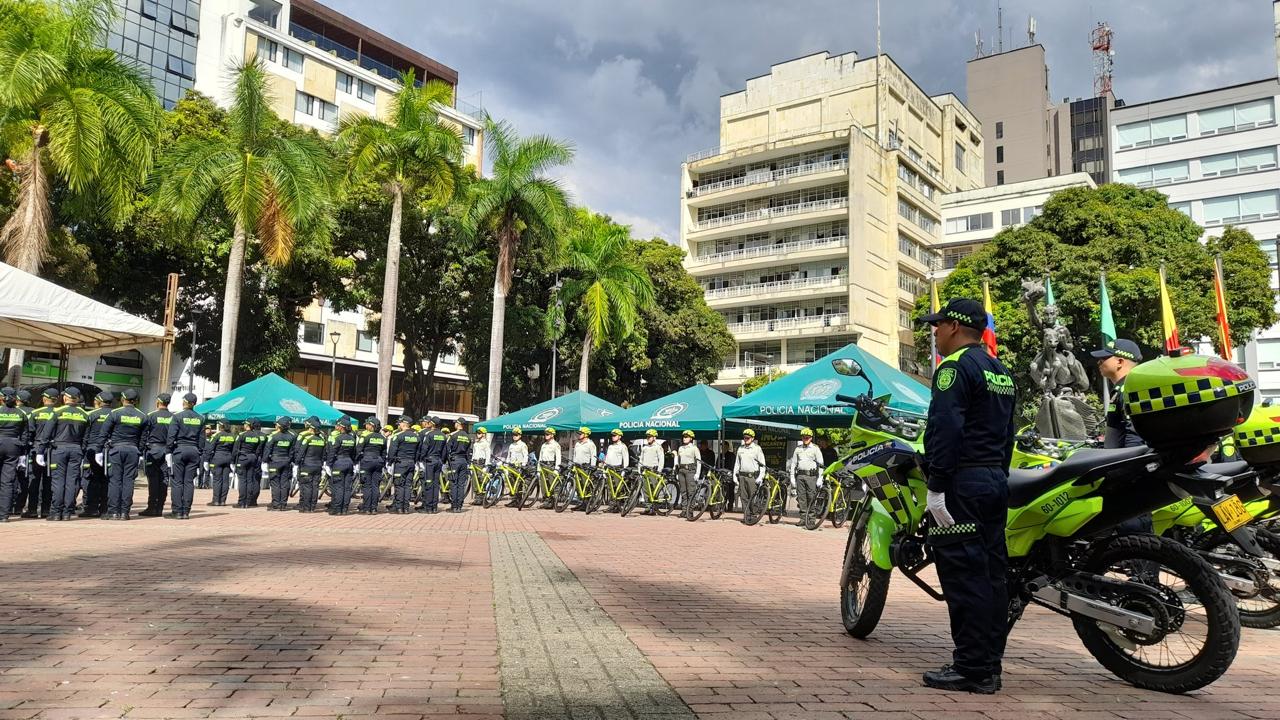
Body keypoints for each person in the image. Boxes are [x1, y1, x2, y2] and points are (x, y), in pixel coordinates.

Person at [917, 297, 1017, 694]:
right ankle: (987, 664)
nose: (935, 333)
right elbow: (1008, 434)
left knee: (963, 576)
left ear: (955, 327)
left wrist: (937, 486)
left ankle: (972, 669)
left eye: (937, 326)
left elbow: (946, 429)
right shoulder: (1001, 371)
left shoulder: (953, 369)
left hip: (963, 484)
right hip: (993, 480)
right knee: (992, 577)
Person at [37, 387, 89, 521]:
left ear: (65, 398)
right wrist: (81, 450)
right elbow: (86, 437)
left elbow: (46, 434)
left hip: (59, 449)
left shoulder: (57, 412)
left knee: (58, 481)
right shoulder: (84, 414)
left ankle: (55, 512)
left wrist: (40, 452)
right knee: (72, 482)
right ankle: (67, 512)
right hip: (76, 450)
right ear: (77, 399)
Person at [100, 388, 147, 520]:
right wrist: (140, 451)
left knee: (115, 481)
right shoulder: (142, 415)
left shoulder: (115, 413)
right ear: (136, 401)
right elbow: (143, 437)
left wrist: (99, 450)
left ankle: (114, 511)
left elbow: (103, 433)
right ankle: (125, 512)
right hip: (133, 450)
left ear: (122, 399)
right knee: (128, 481)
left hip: (116, 450)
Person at [165, 393, 206, 520]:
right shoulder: (200, 418)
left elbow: (171, 436)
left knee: (177, 482)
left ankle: (177, 511)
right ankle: (186, 511)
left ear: (185, 402)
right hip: (194, 451)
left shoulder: (177, 416)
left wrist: (168, 451)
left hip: (180, 450)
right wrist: (199, 451)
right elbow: (202, 439)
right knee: (189, 482)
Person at [23, 388, 59, 518]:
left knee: (35, 480)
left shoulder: (35, 412)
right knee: (49, 481)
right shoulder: (58, 412)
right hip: (53, 449)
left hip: (37, 448)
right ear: (57, 400)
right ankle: (46, 510)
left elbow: (29, 433)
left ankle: (32, 510)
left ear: (44, 399)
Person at [81, 391, 114, 518]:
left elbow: (85, 434)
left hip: (92, 450)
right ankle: (105, 508)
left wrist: (83, 450)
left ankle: (91, 508)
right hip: (109, 450)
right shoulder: (115, 414)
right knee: (107, 480)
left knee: (91, 479)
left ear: (98, 401)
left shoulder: (91, 415)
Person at [140, 393, 173, 517]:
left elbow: (144, 434)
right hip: (167, 451)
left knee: (153, 480)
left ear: (158, 402)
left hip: (153, 450)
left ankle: (151, 507)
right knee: (164, 479)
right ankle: (160, 508)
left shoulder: (151, 416)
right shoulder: (173, 417)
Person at [0, 387, 30, 522]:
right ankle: (4, 515)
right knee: (7, 482)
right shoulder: (21, 414)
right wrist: (22, 450)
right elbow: (25, 434)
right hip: (13, 447)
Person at [788, 427, 825, 529]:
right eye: (804, 437)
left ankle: (811, 519)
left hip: (811, 476)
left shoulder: (815, 449)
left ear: (811, 438)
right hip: (800, 475)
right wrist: (792, 477)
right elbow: (793, 464)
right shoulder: (798, 449)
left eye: (807, 437)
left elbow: (821, 464)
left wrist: (820, 478)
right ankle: (803, 518)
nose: (805, 439)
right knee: (801, 498)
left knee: (811, 497)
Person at [261, 417, 297, 511]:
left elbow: (267, 449)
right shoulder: (292, 436)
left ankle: (276, 504)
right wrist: (289, 460)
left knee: (275, 483)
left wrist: (264, 461)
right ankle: (283, 504)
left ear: (279, 426)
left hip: (275, 461)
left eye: (276, 424)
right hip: (286, 462)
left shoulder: (273, 436)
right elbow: (292, 451)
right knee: (285, 483)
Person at [293, 416, 327, 513]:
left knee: (306, 486)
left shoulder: (305, 436)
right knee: (315, 486)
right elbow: (324, 454)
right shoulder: (322, 437)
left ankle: (305, 506)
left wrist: (296, 463)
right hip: (318, 465)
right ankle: (312, 506)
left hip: (306, 464)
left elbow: (298, 450)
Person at [387, 416, 420, 514]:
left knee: (399, 486)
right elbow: (418, 452)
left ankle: (399, 508)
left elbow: (392, 451)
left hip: (400, 463)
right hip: (411, 463)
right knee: (408, 485)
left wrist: (390, 462)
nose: (399, 425)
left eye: (400, 423)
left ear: (404, 424)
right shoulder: (416, 437)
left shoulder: (398, 435)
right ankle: (406, 508)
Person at [733, 429, 766, 522]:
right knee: (743, 497)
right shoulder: (740, 448)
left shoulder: (757, 449)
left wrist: (760, 477)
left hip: (752, 477)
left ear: (752, 438)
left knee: (752, 497)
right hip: (742, 476)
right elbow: (737, 463)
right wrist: (734, 475)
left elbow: (762, 465)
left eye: (748, 437)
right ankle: (746, 515)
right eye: (745, 437)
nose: (746, 439)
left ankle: (753, 515)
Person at [326, 416, 358, 515]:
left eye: (339, 425)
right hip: (349, 463)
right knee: (347, 488)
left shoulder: (338, 438)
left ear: (342, 427)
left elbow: (332, 452)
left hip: (339, 463)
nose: (338, 427)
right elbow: (354, 453)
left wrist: (328, 464)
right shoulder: (352, 439)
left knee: (339, 487)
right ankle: (344, 509)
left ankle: (337, 509)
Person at [355, 417, 386, 514]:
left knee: (367, 486)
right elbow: (384, 452)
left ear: (371, 426)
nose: (366, 426)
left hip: (367, 462)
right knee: (375, 486)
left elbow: (358, 450)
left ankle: (367, 508)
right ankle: (374, 508)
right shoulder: (382, 438)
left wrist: (356, 461)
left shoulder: (365, 436)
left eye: (367, 424)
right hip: (379, 462)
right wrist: (382, 462)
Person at [233, 420, 265, 508]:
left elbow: (235, 449)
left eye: (244, 424)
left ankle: (241, 502)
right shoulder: (257, 436)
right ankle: (248, 502)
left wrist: (233, 461)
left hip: (243, 457)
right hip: (253, 457)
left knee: (243, 480)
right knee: (250, 480)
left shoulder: (241, 435)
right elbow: (258, 450)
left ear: (247, 425)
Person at [11, 390, 33, 517]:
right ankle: (19, 506)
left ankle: (9, 506)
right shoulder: (33, 412)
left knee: (9, 477)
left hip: (13, 446)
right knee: (24, 478)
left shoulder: (15, 411)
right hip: (27, 449)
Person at [418, 417, 448, 513]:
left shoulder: (429, 434)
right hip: (438, 461)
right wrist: (442, 461)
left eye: (430, 422)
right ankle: (434, 507)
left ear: (433, 424)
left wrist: (421, 459)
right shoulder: (443, 436)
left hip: (430, 461)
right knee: (436, 484)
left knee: (429, 484)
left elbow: (424, 449)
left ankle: (428, 507)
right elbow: (444, 451)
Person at [205, 420, 237, 506]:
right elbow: (234, 450)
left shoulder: (217, 435)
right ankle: (223, 501)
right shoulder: (233, 436)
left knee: (217, 480)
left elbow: (210, 449)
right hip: (228, 458)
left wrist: (206, 460)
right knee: (225, 480)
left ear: (221, 426)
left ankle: (216, 500)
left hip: (217, 458)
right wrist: (233, 461)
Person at [446, 419, 472, 512]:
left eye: (455, 423)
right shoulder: (468, 437)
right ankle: (459, 506)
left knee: (454, 483)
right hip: (464, 461)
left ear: (458, 424)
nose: (455, 424)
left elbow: (447, 450)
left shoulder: (452, 435)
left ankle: (454, 506)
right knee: (461, 485)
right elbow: (469, 452)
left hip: (454, 461)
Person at [637, 429, 665, 514]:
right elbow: (641, 459)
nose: (648, 438)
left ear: (654, 438)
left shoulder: (658, 447)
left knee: (654, 489)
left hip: (653, 470)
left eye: (650, 437)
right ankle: (648, 507)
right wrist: (639, 469)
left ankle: (655, 508)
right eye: (647, 437)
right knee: (645, 489)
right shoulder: (644, 447)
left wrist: (659, 470)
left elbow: (661, 459)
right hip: (645, 470)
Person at [674, 430, 700, 519]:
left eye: (686, 437)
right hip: (681, 470)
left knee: (691, 492)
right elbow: (678, 461)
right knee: (683, 491)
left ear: (691, 438)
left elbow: (699, 462)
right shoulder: (680, 448)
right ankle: (684, 510)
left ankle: (690, 510)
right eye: (684, 437)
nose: (684, 438)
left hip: (690, 471)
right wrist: (676, 471)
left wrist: (697, 473)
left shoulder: (694, 448)